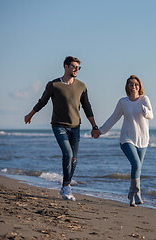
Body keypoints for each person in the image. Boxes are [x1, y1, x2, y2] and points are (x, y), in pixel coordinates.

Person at [24, 56, 98, 201]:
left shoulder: (81, 86)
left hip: (75, 127)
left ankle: (66, 185)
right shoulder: (54, 85)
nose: (76, 70)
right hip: (59, 126)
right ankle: (66, 186)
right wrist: (30, 114)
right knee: (68, 154)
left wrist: (94, 126)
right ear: (66, 66)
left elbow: (87, 106)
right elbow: (42, 101)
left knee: (74, 159)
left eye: (78, 67)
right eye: (74, 67)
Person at [92, 75, 153, 207]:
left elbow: (151, 115)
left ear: (139, 86)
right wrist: (100, 131)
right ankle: (137, 193)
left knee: (137, 167)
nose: (134, 87)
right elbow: (113, 118)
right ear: (127, 87)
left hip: (143, 139)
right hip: (127, 138)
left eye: (136, 84)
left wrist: (145, 111)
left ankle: (131, 194)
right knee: (136, 164)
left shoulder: (144, 99)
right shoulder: (123, 102)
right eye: (131, 84)